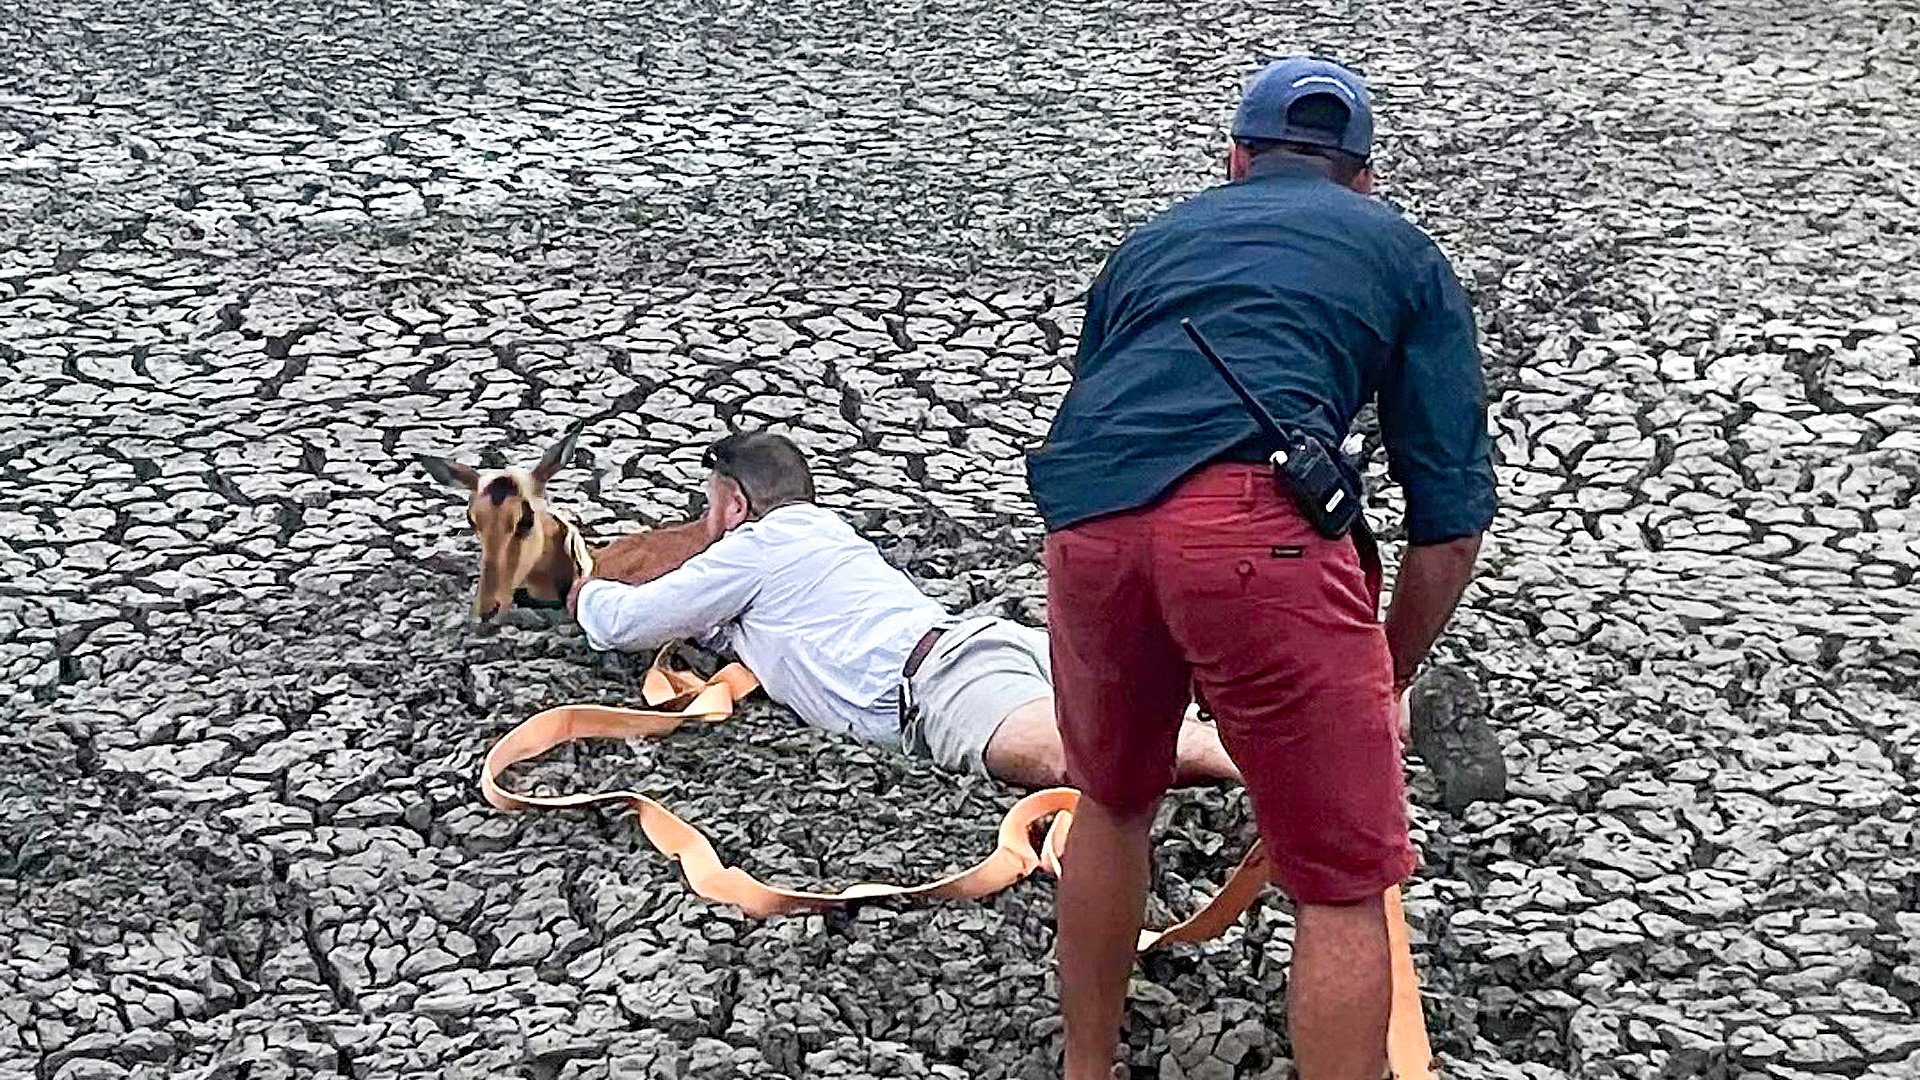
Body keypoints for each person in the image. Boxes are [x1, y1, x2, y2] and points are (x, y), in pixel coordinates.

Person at [1026, 57, 1496, 1080]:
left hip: (1091, 529)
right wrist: (1388, 674)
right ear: (1363, 177)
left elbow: (1101, 408)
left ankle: (1085, 1070)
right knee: (1340, 881)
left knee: (1109, 802)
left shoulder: (1149, 245)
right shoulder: (1403, 252)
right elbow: (1450, 522)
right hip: (1256, 539)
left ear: (1234, 160)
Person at [566, 431, 1241, 791]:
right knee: (1162, 718)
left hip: (942, 682)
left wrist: (582, 584)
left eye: (710, 505)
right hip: (982, 648)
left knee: (1079, 759)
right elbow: (727, 621)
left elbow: (622, 624)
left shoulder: (756, 546)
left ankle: (1270, 777)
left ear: (737, 506)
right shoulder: (821, 538)